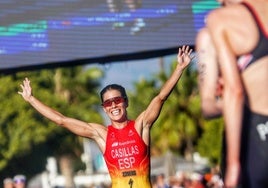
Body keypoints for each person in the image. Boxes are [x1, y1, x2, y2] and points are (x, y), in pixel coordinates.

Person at [18, 45, 193, 188]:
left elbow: (160, 98)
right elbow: (61, 120)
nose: (114, 105)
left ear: (125, 102)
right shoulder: (102, 134)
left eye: (117, 100)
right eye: (108, 103)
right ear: (104, 108)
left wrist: (179, 68)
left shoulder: (140, 125)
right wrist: (32, 99)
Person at [203, 0, 268, 187]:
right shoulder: (207, 38)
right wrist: (221, 104)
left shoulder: (219, 20)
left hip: (255, 133)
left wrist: (233, 165)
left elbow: (235, 91)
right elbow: (207, 105)